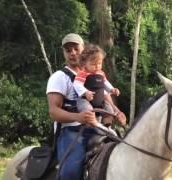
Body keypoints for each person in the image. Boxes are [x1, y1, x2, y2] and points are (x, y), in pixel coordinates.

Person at [46, 33, 126, 180]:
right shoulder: (59, 77)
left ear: (84, 50)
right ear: (63, 53)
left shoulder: (96, 74)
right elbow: (53, 111)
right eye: (68, 50)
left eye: (76, 48)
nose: (72, 53)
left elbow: (106, 98)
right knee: (70, 172)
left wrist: (117, 112)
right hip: (72, 130)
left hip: (98, 127)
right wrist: (78, 117)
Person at [73, 44, 120, 126]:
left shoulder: (101, 73)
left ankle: (106, 126)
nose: (97, 66)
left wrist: (112, 89)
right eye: (94, 64)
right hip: (85, 100)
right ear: (85, 63)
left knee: (109, 110)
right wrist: (85, 92)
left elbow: (105, 83)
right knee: (88, 112)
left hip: (100, 100)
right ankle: (92, 127)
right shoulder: (83, 73)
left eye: (99, 63)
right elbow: (76, 84)